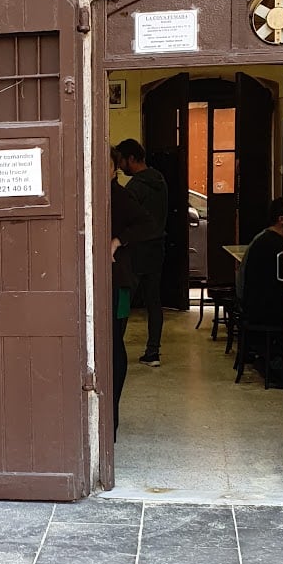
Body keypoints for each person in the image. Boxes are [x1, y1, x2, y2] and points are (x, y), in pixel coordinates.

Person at [110, 149, 158, 437]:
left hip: (120, 282)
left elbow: (149, 225)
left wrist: (119, 240)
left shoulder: (119, 195)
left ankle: (112, 416)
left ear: (115, 168)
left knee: (115, 343)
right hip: (105, 281)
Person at [114, 138, 169, 366]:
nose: (120, 166)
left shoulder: (134, 188)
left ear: (132, 159)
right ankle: (153, 352)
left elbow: (127, 221)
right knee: (154, 302)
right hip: (157, 248)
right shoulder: (161, 180)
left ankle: (115, 346)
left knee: (124, 300)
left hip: (135, 251)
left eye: (122, 161)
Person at [239, 198, 283, 327]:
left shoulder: (263, 238)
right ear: (282, 219)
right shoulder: (274, 245)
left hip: (253, 304)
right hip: (263, 310)